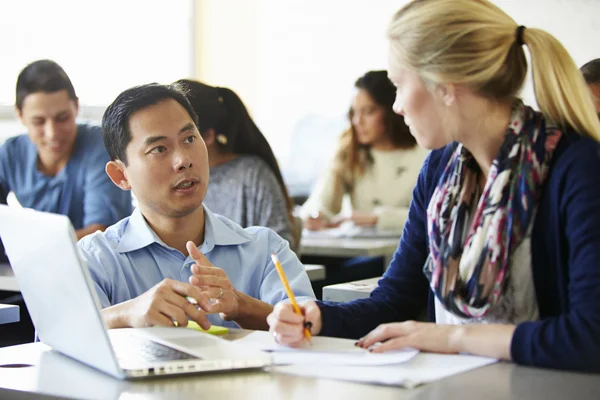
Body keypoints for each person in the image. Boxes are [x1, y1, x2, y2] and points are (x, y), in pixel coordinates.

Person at [268, 0, 600, 373]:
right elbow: (393, 301)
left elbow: (589, 337)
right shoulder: (441, 169)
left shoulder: (578, 167)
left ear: (445, 85)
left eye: (398, 85)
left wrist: (453, 338)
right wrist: (316, 316)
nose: (396, 106)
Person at [78, 83, 314, 330]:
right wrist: (124, 315)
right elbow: (57, 344)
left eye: (189, 139)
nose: (183, 160)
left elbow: (309, 329)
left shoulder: (265, 250)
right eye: (159, 149)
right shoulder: (95, 260)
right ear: (120, 175)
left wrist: (240, 306)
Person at [0, 59, 132, 239]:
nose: (52, 133)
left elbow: (101, 234)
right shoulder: (11, 153)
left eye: (62, 118)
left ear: (76, 107)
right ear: (20, 115)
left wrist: (32, 249)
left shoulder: (101, 146)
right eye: (39, 122)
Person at [174, 79, 297, 250]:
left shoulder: (251, 174)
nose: (176, 157)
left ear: (208, 136)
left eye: (187, 139)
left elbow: (281, 248)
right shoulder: (170, 179)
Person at [300, 70, 428, 232]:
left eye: (368, 112)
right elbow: (320, 201)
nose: (357, 121)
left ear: (391, 111)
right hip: (360, 250)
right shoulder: (349, 151)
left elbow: (431, 215)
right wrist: (315, 214)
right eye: (354, 112)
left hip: (405, 250)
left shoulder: (424, 153)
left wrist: (378, 219)